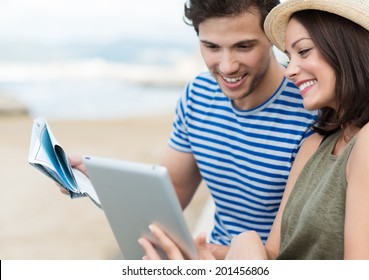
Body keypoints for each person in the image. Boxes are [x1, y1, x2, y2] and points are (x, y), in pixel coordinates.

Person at [139, 0, 369, 259]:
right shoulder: (317, 140)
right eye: (290, 55)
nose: (291, 71)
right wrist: (210, 256)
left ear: (348, 48)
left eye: (303, 51)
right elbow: (275, 254)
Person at [66, 0, 316, 259]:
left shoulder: (310, 109)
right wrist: (101, 183)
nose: (227, 66)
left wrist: (201, 258)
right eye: (211, 47)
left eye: (243, 46)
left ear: (274, 39)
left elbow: (291, 249)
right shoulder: (198, 94)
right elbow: (171, 193)